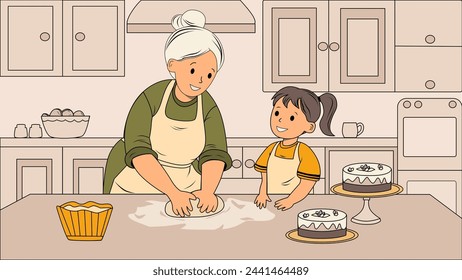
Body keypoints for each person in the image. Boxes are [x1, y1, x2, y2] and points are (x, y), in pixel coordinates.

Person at [103, 10, 231, 217]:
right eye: (193, 70)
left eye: (209, 74)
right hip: (139, 185)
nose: (201, 80)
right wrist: (172, 193)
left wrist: (207, 191)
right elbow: (139, 150)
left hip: (188, 188)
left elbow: (214, 153)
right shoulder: (151, 97)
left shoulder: (208, 105)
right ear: (172, 64)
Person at [254, 86, 337, 210]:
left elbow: (308, 183)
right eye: (277, 113)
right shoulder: (272, 148)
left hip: (298, 204)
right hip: (272, 202)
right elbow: (264, 174)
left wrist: (291, 200)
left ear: (309, 127)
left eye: (292, 117)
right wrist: (262, 193)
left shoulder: (304, 152)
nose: (280, 119)